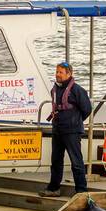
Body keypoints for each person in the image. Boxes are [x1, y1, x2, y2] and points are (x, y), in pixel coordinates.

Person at [39, 61, 93, 197]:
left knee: (76, 161)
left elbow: (87, 109)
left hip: (72, 131)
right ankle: (53, 188)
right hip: (57, 130)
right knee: (56, 161)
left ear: (69, 74)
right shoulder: (55, 89)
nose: (57, 75)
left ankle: (81, 190)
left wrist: (74, 121)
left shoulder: (77, 90)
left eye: (60, 72)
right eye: (57, 72)